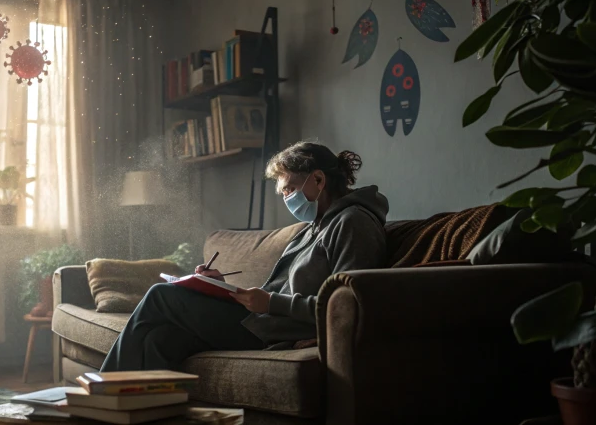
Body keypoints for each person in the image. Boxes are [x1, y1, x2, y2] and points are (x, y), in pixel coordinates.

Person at [100, 142, 388, 372]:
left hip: (275, 331)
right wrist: (220, 286)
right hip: (262, 321)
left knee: (160, 295)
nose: (286, 197)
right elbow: (276, 293)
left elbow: (348, 305)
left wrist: (271, 302)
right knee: (159, 341)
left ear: (318, 179)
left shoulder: (354, 223)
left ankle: (95, 400)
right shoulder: (313, 229)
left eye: (288, 188)